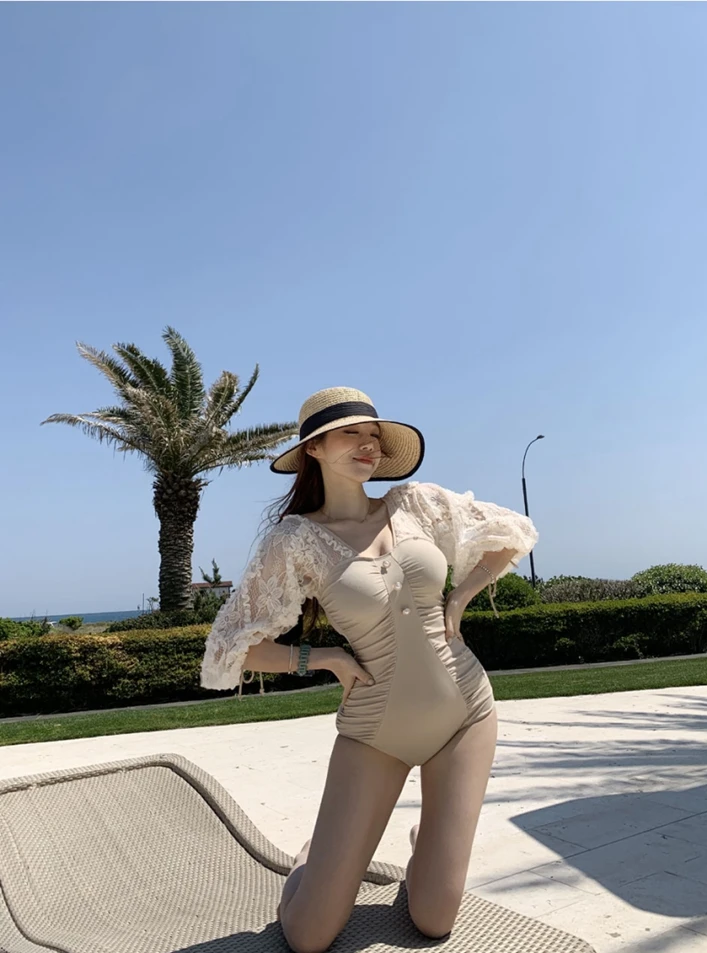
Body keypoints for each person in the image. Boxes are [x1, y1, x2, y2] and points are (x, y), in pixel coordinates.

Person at [200, 386, 539, 953]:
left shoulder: (415, 504)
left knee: (434, 920)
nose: (368, 445)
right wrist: (323, 657)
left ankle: (427, 845)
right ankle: (313, 859)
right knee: (308, 937)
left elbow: (509, 535)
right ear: (313, 449)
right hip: (374, 732)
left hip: (465, 715)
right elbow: (233, 648)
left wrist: (460, 597)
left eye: (374, 436)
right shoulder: (295, 541)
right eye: (350, 434)